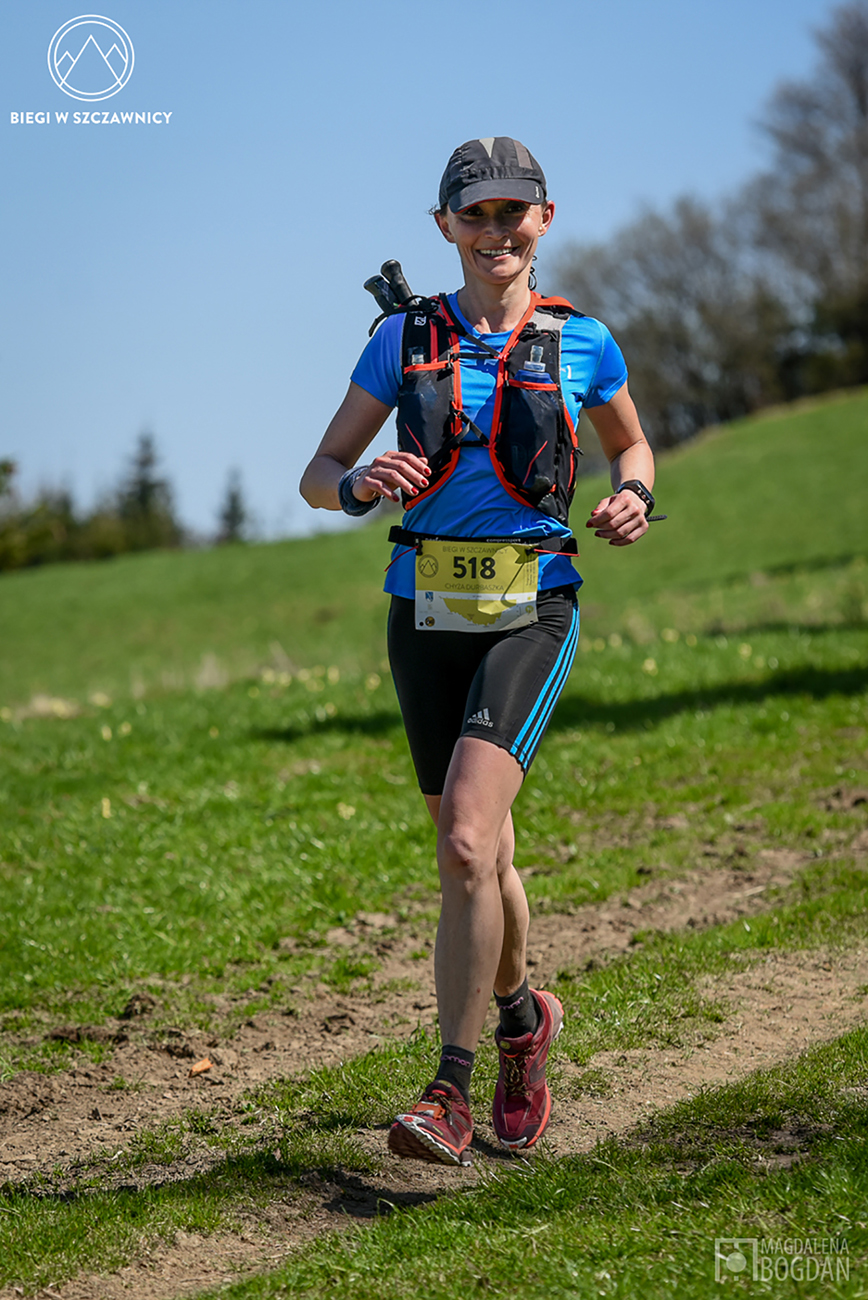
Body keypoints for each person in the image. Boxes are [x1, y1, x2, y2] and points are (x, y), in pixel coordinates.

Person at [300, 137, 657, 1167]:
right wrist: (357, 484)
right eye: (475, 214)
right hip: (423, 612)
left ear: (545, 218)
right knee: (482, 854)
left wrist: (634, 492)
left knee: (463, 842)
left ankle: (447, 1094)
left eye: (513, 212)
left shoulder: (582, 340)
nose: (495, 231)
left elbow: (630, 443)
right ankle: (523, 1020)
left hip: (532, 607)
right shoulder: (401, 339)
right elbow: (318, 472)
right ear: (444, 226)